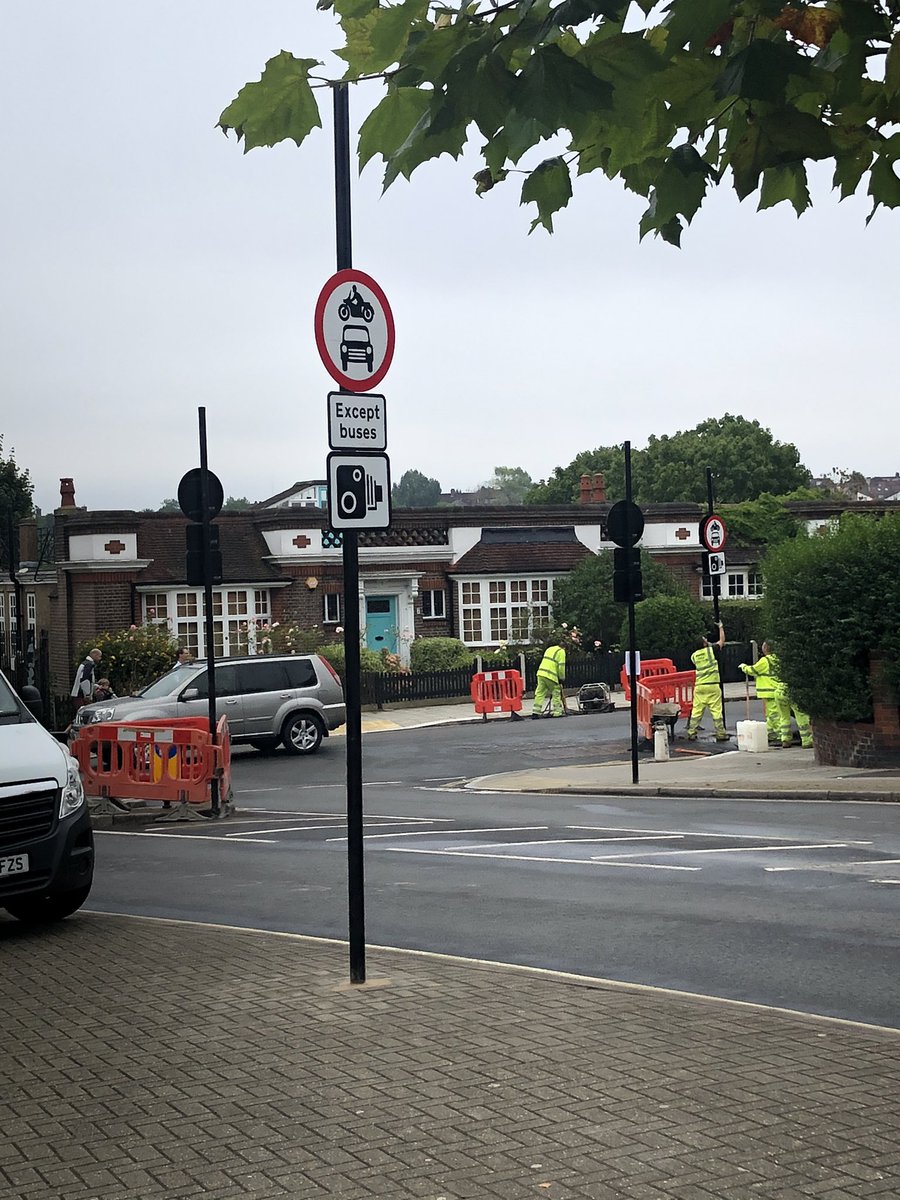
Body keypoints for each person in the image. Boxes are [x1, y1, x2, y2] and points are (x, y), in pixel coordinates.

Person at [759, 643, 812, 748]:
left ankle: (785, 740)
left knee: (784, 717)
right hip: (791, 690)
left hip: (779, 691)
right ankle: (807, 741)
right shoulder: (795, 664)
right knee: (801, 716)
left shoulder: (780, 662)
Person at [685, 622, 729, 742]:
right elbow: (722, 641)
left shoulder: (694, 656)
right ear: (704, 643)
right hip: (713, 685)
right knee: (716, 711)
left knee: (697, 711)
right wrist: (721, 627)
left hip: (700, 686)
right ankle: (720, 733)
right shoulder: (711, 651)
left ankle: (691, 732)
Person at [739, 641, 781, 745]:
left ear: (766, 648)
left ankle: (779, 735)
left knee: (773, 715)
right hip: (775, 689)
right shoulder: (777, 659)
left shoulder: (765, 660)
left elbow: (753, 670)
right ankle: (772, 733)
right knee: (771, 714)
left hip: (769, 691)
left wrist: (744, 667)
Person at [532, 638, 567, 718]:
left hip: (541, 673)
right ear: (564, 647)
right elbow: (561, 666)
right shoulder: (561, 651)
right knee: (556, 692)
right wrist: (561, 678)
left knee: (540, 693)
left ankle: (535, 712)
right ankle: (557, 712)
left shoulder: (549, 649)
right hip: (551, 675)